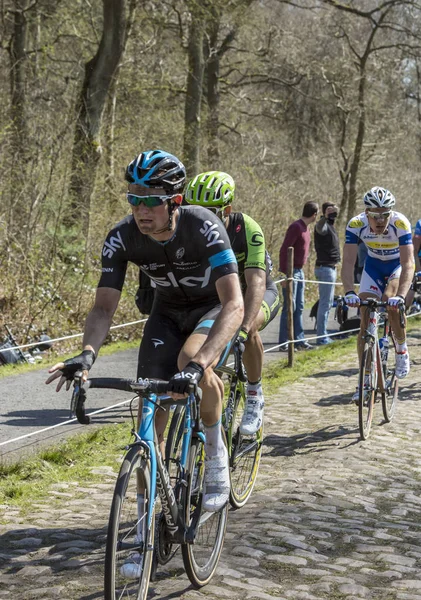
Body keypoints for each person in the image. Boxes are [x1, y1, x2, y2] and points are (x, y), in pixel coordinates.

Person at [46, 149, 244, 526]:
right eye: (135, 200)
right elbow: (103, 308)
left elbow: (234, 304)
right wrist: (87, 354)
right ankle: (142, 527)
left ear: (175, 202)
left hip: (212, 310)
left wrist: (201, 365)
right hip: (166, 315)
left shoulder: (203, 226)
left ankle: (217, 455)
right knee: (146, 425)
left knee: (189, 362)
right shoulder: (122, 238)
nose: (141, 210)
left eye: (152, 201)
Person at [184, 171, 280, 436]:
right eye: (192, 209)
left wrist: (243, 325)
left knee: (246, 330)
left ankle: (254, 393)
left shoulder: (246, 228)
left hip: (256, 292)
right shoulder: (188, 231)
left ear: (227, 210)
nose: (200, 217)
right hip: (222, 297)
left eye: (210, 211)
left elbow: (257, 282)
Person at [341, 186, 414, 402]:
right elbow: (347, 262)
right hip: (372, 267)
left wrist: (401, 296)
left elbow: (407, 263)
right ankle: (364, 381)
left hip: (395, 267)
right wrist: (348, 292)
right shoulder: (356, 224)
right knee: (365, 320)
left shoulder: (400, 223)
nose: (380, 220)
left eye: (385, 215)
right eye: (375, 216)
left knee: (390, 303)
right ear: (366, 214)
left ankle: (401, 349)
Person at [278, 201, 319, 351]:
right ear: (314, 214)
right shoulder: (296, 227)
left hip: (300, 271)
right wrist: (284, 273)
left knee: (299, 306)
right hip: (291, 271)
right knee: (290, 306)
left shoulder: (306, 229)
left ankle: (299, 339)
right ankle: (285, 342)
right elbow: (284, 250)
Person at [314, 202, 341, 345]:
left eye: (334, 210)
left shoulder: (331, 226)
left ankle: (323, 334)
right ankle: (321, 336)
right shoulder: (323, 226)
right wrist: (324, 217)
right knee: (325, 304)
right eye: (330, 210)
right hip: (325, 268)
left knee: (329, 303)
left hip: (331, 268)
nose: (333, 213)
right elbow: (319, 227)